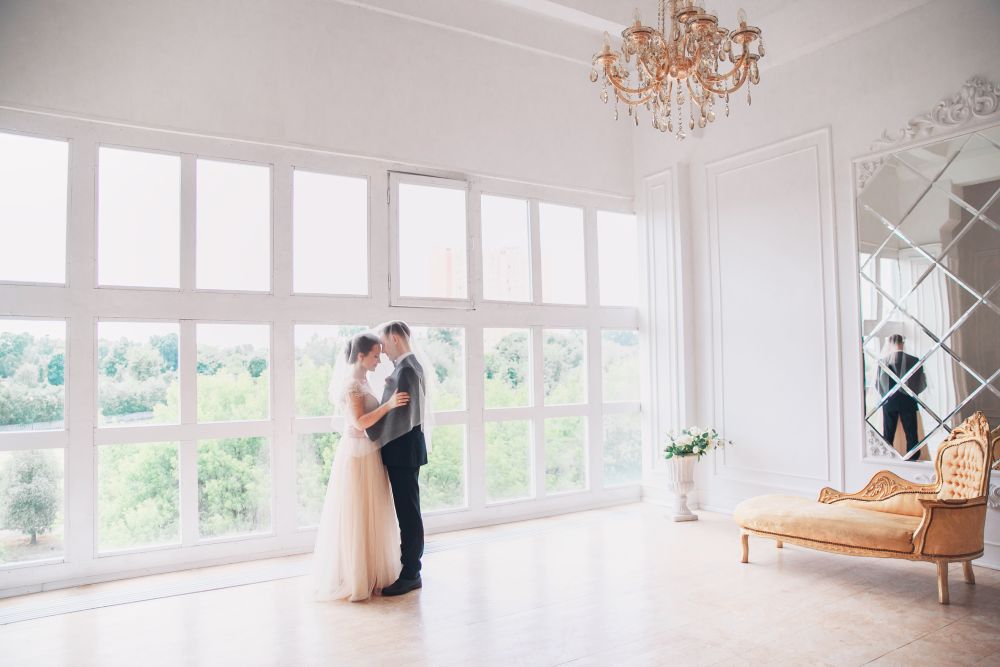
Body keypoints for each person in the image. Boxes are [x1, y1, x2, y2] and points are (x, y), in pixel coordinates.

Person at [312, 332, 410, 602]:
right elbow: (359, 422)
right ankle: (355, 575)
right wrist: (389, 405)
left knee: (372, 512)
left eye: (380, 354)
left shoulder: (364, 380)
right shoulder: (352, 384)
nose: (380, 360)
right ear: (361, 356)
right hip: (357, 454)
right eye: (376, 355)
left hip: (370, 452)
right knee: (357, 512)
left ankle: (371, 570)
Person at [366, 321, 428, 597]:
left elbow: (404, 419)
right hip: (406, 450)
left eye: (383, 344)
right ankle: (410, 569)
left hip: (403, 451)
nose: (383, 351)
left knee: (408, 513)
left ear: (394, 338)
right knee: (408, 511)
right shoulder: (409, 368)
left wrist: (372, 434)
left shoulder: (406, 371)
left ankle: (411, 573)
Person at [876, 334, 926, 454]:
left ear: (890, 344)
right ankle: (913, 458)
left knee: (888, 434)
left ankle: (888, 457)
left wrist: (887, 396)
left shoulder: (883, 361)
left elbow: (878, 384)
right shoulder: (914, 360)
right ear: (903, 343)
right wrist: (912, 393)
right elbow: (922, 383)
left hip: (890, 402)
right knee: (911, 434)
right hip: (908, 401)